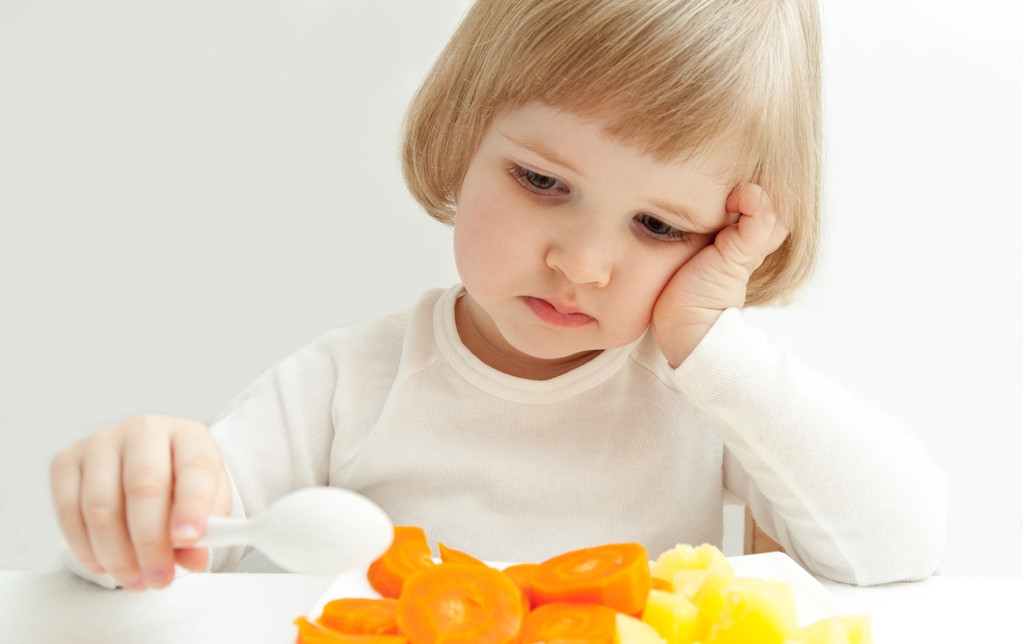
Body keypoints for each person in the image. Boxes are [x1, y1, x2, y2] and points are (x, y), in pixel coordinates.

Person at [50, 0, 947, 592]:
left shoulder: (698, 396)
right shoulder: (342, 387)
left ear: (725, 233)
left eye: (659, 228)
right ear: (463, 134)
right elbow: (165, 556)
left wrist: (708, 341)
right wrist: (133, 499)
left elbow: (899, 547)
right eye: (542, 181)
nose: (584, 263)